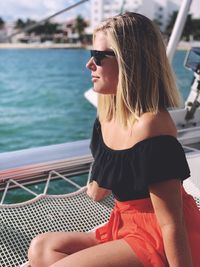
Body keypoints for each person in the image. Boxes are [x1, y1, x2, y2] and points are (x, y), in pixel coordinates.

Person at [27, 12, 200, 267]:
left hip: (159, 235)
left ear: (130, 62)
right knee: (41, 248)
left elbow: (171, 225)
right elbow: (99, 190)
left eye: (98, 57)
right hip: (125, 223)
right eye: (91, 55)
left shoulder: (152, 127)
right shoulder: (107, 115)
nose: (89, 66)